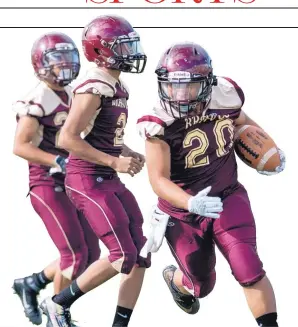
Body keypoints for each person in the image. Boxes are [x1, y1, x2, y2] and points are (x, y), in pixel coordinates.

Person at [137, 42, 285, 327]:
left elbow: (242, 122)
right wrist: (190, 202)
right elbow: (158, 179)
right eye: (172, 86)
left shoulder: (225, 96)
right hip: (183, 212)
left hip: (226, 197)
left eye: (189, 86)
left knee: (248, 267)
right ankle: (177, 280)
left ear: (207, 82)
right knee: (202, 285)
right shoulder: (158, 122)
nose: (180, 94)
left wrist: (268, 152)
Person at [40, 15, 150, 327]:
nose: (131, 51)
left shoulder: (116, 85)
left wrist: (126, 152)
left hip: (106, 177)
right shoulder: (95, 86)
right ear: (102, 50)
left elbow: (101, 135)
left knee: (141, 252)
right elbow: (67, 139)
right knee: (121, 255)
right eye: (123, 45)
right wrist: (115, 161)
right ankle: (58, 304)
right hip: (86, 179)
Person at [12, 32, 100, 326]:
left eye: (68, 56)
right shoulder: (37, 100)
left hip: (72, 181)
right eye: (56, 58)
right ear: (40, 63)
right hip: (47, 184)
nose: (64, 64)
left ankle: (32, 283)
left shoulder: (73, 93)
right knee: (74, 256)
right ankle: (57, 317)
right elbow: (20, 146)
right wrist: (58, 160)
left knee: (90, 255)